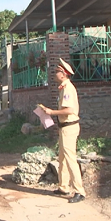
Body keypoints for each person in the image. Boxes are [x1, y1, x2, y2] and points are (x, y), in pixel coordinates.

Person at [41, 58, 86, 204]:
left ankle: (79, 191)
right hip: (64, 127)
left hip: (69, 127)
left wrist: (51, 112)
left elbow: (68, 110)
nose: (54, 74)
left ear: (63, 74)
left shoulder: (67, 89)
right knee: (63, 158)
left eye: (57, 71)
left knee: (70, 158)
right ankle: (63, 186)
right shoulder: (64, 88)